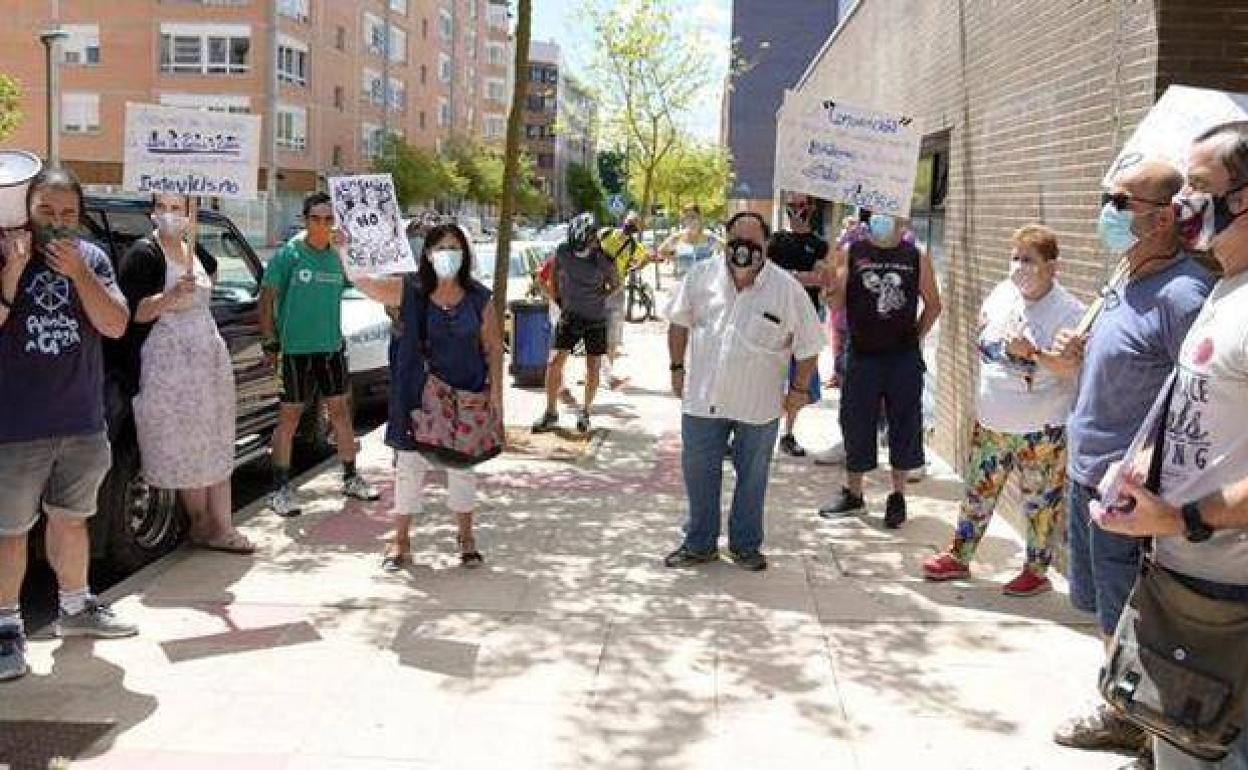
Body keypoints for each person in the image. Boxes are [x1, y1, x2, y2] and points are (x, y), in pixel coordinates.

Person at [1049, 159, 1214, 762]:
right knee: (1105, 616)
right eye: (1107, 199)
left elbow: (1195, 404)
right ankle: (1125, 717)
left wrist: (1145, 482)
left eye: (1120, 202)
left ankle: (1153, 741)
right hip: (1087, 477)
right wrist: (1073, 355)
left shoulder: (1184, 294)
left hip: (1129, 494)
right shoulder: (1122, 279)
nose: (1108, 212)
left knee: (1136, 623)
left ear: (1166, 216)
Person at [1096, 122, 1248, 770]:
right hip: (1183, 588)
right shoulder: (1223, 290)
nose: (1183, 202)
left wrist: (1182, 517)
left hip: (1229, 609)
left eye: (1200, 186)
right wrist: (1142, 469)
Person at [0, 167, 137, 682]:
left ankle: (76, 608)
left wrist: (80, 274)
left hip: (81, 421)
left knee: (71, 519)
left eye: (68, 214)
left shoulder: (94, 258)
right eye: (47, 213)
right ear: (26, 211)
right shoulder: (5, 252)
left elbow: (116, 324)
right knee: (9, 531)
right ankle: (6, 628)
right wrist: (11, 278)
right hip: (14, 425)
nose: (58, 223)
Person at [921, 225, 1084, 595]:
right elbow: (983, 336)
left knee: (1040, 504)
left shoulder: (1069, 311)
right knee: (977, 494)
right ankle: (959, 557)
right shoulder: (1002, 294)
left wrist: (1035, 354)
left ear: (1052, 267)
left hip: (1040, 431)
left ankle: (1036, 571)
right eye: (1015, 258)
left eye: (1029, 260)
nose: (1019, 267)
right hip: (992, 423)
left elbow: (1071, 367)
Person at [663, 211, 824, 572]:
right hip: (703, 400)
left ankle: (746, 545)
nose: (743, 250)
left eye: (752, 243)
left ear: (765, 245)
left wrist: (798, 390)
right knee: (699, 473)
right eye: (736, 241)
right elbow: (678, 322)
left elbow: (809, 346)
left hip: (759, 406)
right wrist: (676, 368)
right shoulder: (701, 276)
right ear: (726, 240)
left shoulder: (787, 289)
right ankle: (699, 543)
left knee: (753, 479)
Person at [353, 224, 504, 571]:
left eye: (454, 247)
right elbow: (367, 285)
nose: (447, 254)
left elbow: (493, 347)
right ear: (427, 254)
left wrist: (496, 394)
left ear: (465, 254)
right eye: (440, 248)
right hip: (417, 399)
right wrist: (349, 251)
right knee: (408, 467)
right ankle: (401, 540)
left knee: (463, 468)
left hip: (465, 396)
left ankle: (466, 538)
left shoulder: (480, 298)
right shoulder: (411, 292)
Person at [116, 193, 252, 554]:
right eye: (163, 207)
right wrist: (170, 296)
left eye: (178, 208)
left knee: (215, 438)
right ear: (152, 211)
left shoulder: (196, 253)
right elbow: (133, 313)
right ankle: (205, 524)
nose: (170, 214)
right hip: (169, 365)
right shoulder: (144, 255)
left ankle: (220, 522)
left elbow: (213, 279)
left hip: (207, 362)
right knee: (186, 444)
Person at [818, 211, 942, 529]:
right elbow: (836, 305)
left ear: (903, 221)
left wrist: (915, 336)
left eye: (892, 214)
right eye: (877, 214)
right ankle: (854, 492)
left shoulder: (916, 256)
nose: (883, 220)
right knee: (856, 420)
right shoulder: (853, 252)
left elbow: (933, 304)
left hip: (902, 358)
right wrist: (830, 287)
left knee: (903, 423)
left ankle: (897, 496)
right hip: (862, 354)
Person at [260, 192, 380, 518]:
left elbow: (368, 279)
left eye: (329, 219)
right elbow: (266, 297)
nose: (323, 225)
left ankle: (351, 477)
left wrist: (350, 249)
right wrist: (269, 340)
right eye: (316, 218)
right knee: (290, 418)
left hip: (330, 349)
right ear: (304, 219)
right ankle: (279, 489)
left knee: (340, 413)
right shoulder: (289, 255)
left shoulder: (338, 256)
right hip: (295, 351)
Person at [532, 213, 620, 434]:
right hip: (570, 315)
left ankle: (586, 412)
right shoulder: (563, 251)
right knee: (555, 362)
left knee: (592, 366)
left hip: (596, 318)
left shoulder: (604, 260)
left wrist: (602, 296)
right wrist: (556, 297)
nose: (580, 251)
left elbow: (616, 284)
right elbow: (552, 274)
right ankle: (550, 412)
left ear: (593, 239)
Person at [767, 193, 832, 457]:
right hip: (773, 315)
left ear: (811, 208)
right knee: (769, 370)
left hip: (807, 316)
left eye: (801, 206)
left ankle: (788, 432)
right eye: (791, 207)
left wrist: (789, 277)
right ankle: (763, 430)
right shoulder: (777, 240)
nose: (796, 211)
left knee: (801, 379)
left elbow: (821, 277)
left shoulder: (819, 244)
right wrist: (799, 277)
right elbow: (764, 271)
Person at [598, 211, 651, 390]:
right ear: (624, 221)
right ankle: (596, 374)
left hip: (616, 290)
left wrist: (631, 268)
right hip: (596, 290)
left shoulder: (636, 247)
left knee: (612, 337)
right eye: (630, 222)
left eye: (634, 225)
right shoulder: (605, 233)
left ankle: (606, 375)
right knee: (595, 333)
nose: (630, 227)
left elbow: (647, 259)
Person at [659, 204, 721, 277]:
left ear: (700, 218)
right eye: (686, 218)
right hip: (683, 283)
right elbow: (661, 251)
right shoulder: (677, 238)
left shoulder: (709, 238)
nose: (690, 220)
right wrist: (674, 259)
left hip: (705, 283)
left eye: (693, 217)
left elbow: (728, 249)